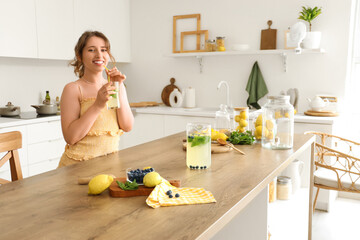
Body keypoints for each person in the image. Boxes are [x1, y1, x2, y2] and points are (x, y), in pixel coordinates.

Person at [58, 31, 134, 167]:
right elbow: (71, 137)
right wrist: (98, 105)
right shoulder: (73, 89)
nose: (99, 55)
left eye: (103, 50)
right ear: (79, 56)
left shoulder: (115, 86)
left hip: (109, 168)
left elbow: (127, 126)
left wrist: (119, 87)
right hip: (76, 169)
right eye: (91, 50)